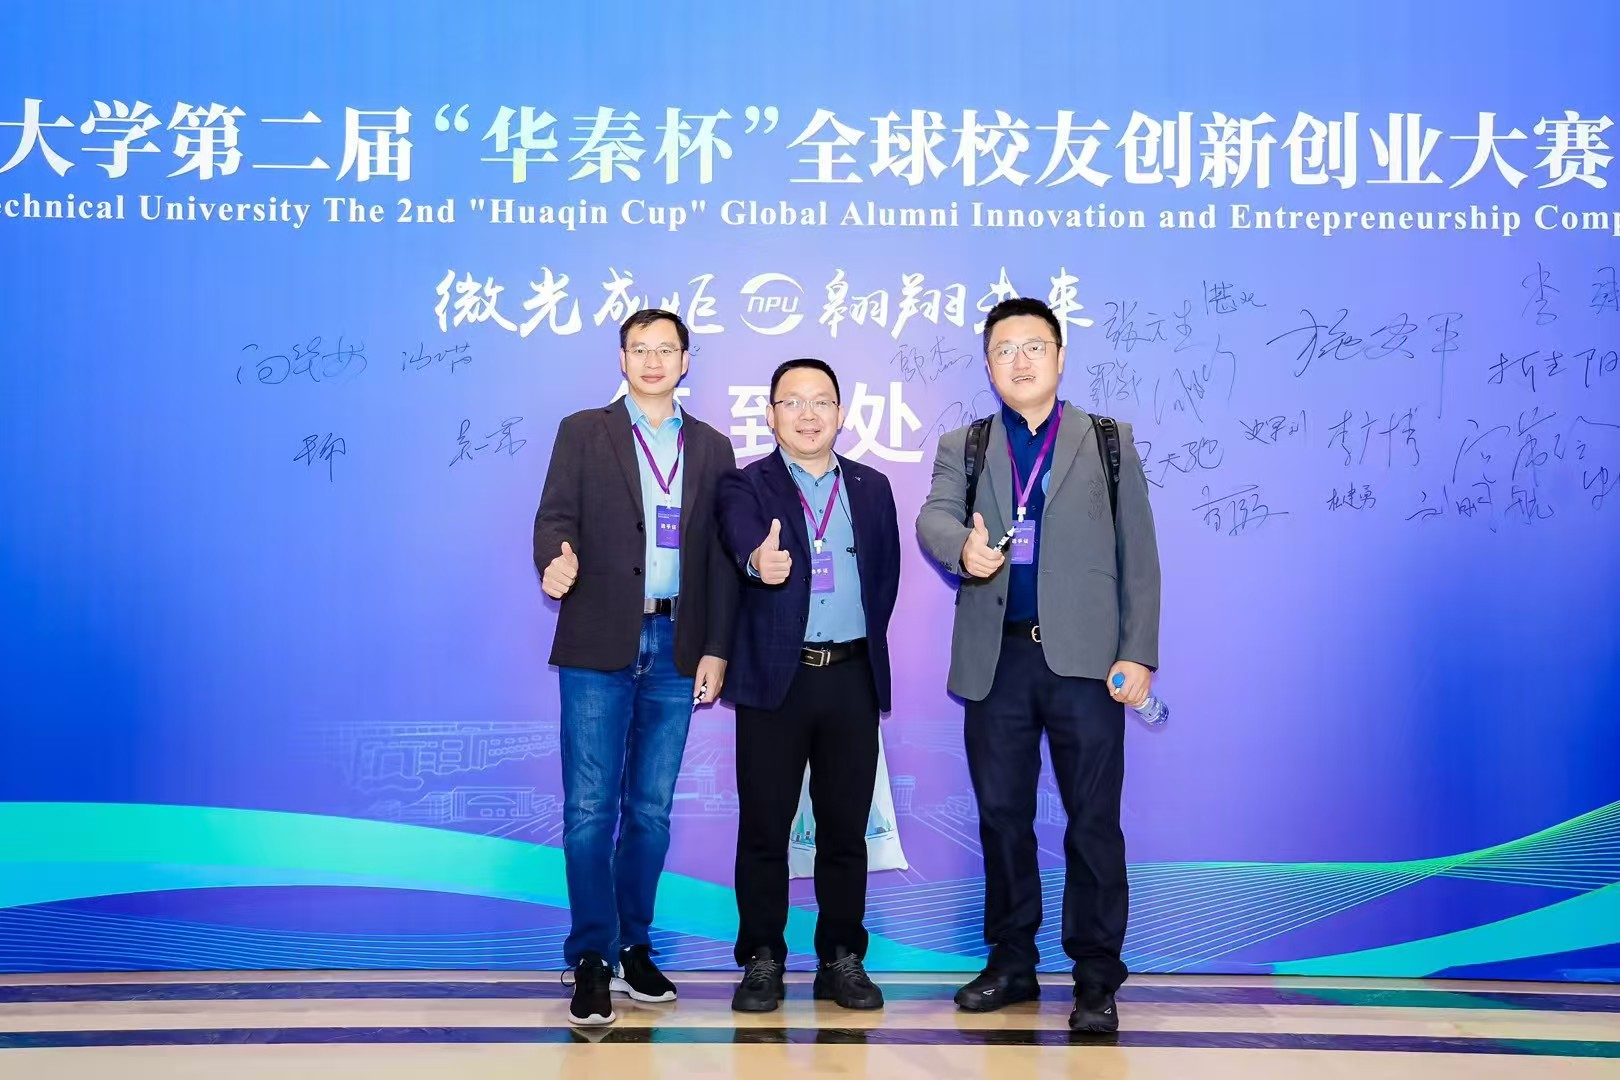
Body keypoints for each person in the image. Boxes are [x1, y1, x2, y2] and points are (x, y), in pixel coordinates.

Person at [915, 297, 1161, 1033]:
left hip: (1087, 665)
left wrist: (1138, 652)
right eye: (1004, 350)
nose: (1018, 362)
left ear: (1059, 356)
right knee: (1002, 818)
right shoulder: (965, 444)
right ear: (988, 364)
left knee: (1093, 822)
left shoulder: (1109, 442)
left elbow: (1139, 558)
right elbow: (933, 516)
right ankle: (1011, 961)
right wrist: (961, 546)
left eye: (1033, 347)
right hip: (998, 660)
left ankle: (1096, 976)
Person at [532, 308, 739, 1026]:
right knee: (590, 809)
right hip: (599, 638)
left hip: (679, 644)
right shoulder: (583, 431)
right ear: (622, 359)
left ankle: (634, 947)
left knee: (649, 811)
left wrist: (716, 646)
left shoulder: (711, 446)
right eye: (640, 348)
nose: (653, 361)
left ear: (686, 361)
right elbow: (555, 518)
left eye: (666, 349)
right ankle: (591, 955)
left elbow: (721, 556)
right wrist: (553, 561)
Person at [714, 358, 901, 1014]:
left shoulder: (872, 487)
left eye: (822, 401)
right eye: (792, 402)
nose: (808, 414)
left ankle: (841, 957)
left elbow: (885, 580)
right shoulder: (746, 484)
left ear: (841, 414)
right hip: (777, 679)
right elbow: (740, 540)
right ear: (771, 415)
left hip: (851, 677)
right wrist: (758, 561)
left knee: (845, 830)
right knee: (764, 828)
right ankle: (762, 956)